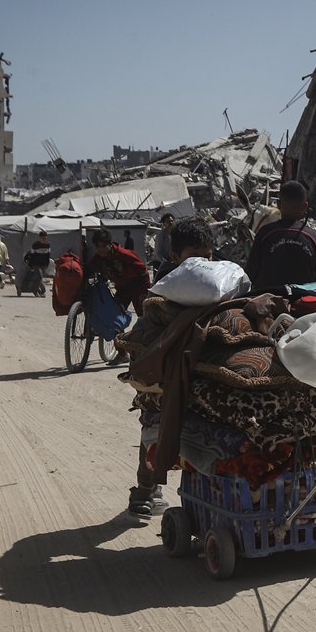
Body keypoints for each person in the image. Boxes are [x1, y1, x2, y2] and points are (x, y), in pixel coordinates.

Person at [126, 218, 216, 518]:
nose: (203, 262)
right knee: (154, 421)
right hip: (165, 366)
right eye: (195, 255)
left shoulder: (216, 278)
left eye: (208, 255)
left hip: (199, 364)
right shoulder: (165, 284)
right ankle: (145, 488)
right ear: (176, 256)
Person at [245, 180, 316, 291]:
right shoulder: (313, 237)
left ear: (278, 204)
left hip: (269, 300)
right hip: (305, 301)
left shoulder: (265, 233)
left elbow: (250, 274)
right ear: (305, 207)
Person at [89, 228, 149, 315]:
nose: (100, 250)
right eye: (98, 246)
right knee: (115, 312)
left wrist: (123, 270)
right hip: (123, 287)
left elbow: (142, 269)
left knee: (143, 314)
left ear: (110, 244)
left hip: (139, 285)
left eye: (103, 246)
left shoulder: (123, 253)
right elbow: (91, 265)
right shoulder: (99, 257)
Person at [151, 218, 214, 283]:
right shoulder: (165, 285)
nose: (202, 263)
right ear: (175, 257)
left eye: (207, 257)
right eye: (194, 258)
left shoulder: (217, 279)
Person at [23, 230, 52, 297]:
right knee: (39, 276)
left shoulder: (48, 245)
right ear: (40, 238)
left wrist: (47, 264)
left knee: (40, 278)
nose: (44, 239)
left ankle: (40, 291)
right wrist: (30, 265)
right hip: (36, 264)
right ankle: (37, 290)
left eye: (45, 238)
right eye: (43, 238)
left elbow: (48, 255)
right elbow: (32, 256)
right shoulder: (35, 245)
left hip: (44, 264)